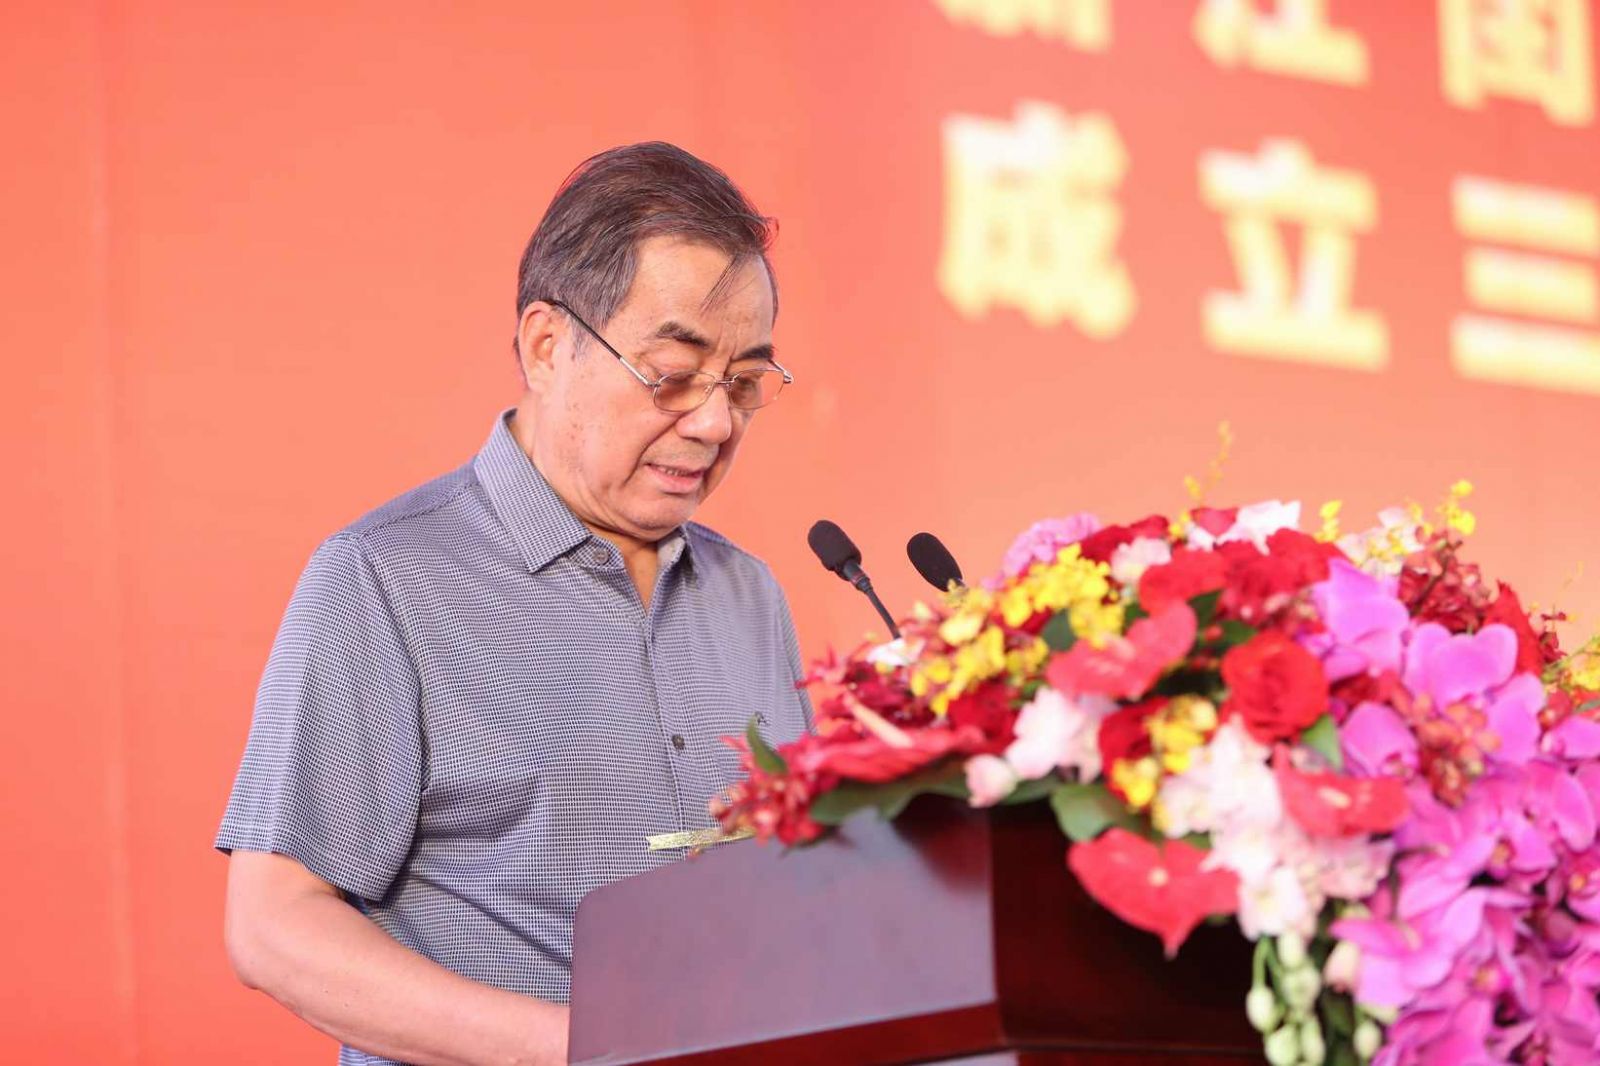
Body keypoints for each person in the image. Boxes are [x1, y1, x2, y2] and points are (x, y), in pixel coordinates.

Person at [216, 141, 813, 1066]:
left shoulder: (749, 595)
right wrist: (581, 1050)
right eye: (673, 373)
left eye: (742, 385)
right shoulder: (386, 578)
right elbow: (275, 925)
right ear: (546, 346)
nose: (713, 423)